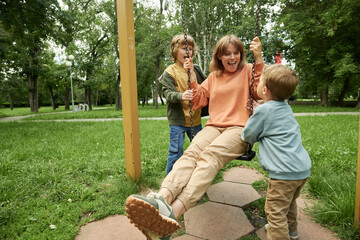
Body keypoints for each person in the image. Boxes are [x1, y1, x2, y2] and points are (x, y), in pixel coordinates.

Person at [125, 35, 264, 239]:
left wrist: (259, 58)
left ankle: (174, 213)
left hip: (240, 128)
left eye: (236, 53)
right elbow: (198, 101)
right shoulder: (214, 77)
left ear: (241, 55)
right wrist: (190, 73)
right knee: (191, 154)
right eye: (227, 53)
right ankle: (162, 199)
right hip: (215, 125)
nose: (233, 57)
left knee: (209, 156)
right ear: (219, 57)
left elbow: (261, 92)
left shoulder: (249, 70)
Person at [241, 64, 312, 240]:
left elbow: (248, 135)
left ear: (264, 89)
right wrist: (260, 108)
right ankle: (292, 232)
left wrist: (255, 114)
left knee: (275, 212)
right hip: (301, 170)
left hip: (284, 174)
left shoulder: (264, 111)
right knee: (289, 204)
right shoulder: (285, 106)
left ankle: (280, 234)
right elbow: (272, 115)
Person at [159, 34, 206, 174]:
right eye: (184, 48)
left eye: (190, 49)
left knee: (200, 150)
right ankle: (170, 179)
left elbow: (205, 87)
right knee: (176, 151)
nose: (188, 52)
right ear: (175, 50)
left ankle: (196, 178)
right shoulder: (170, 72)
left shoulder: (195, 69)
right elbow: (167, 93)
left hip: (195, 119)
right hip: (178, 121)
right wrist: (182, 96)